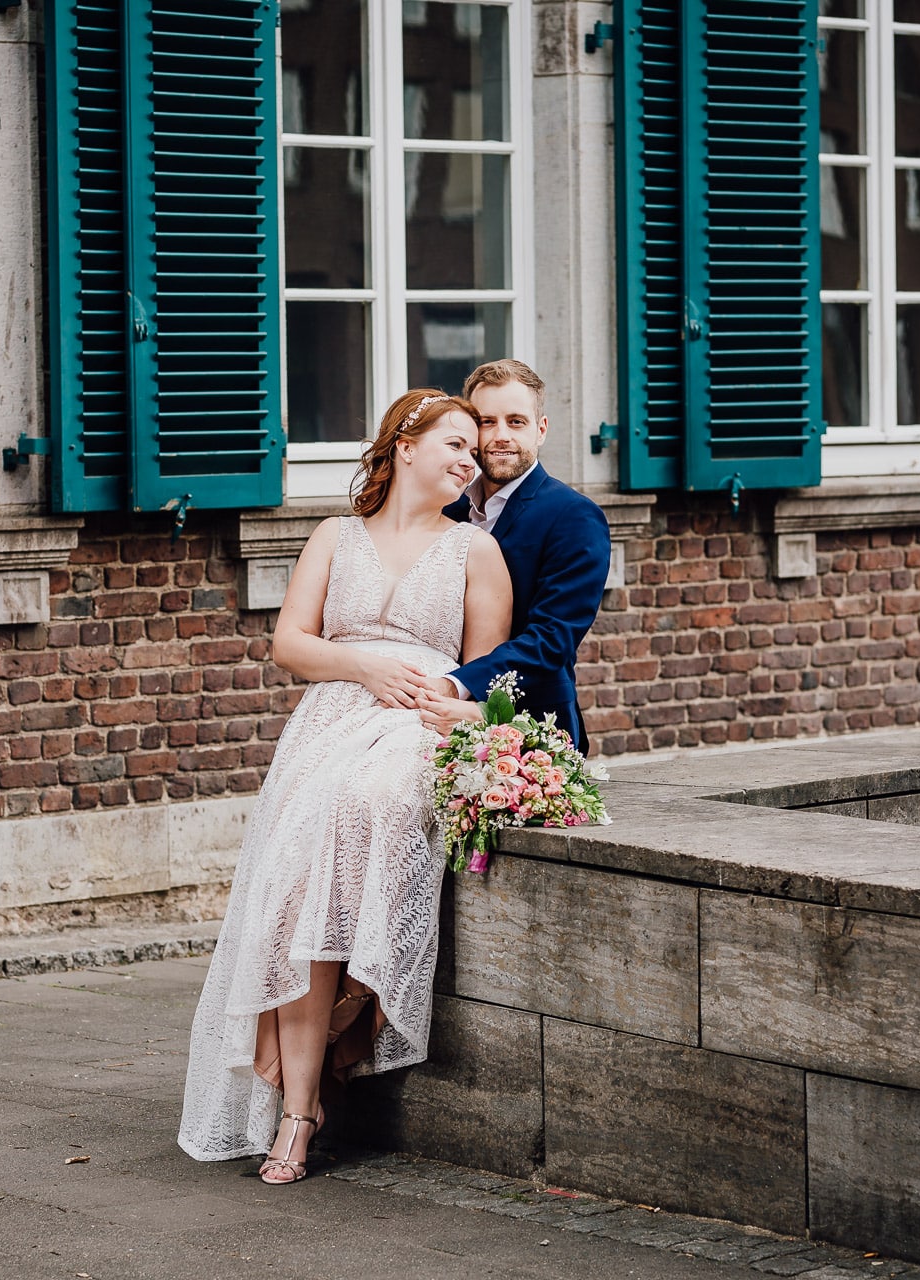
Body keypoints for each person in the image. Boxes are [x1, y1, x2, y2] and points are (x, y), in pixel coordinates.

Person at [177, 389, 514, 1184]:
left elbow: (487, 676)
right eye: (456, 444)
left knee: (371, 805)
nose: (471, 460)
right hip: (329, 719)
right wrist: (361, 662)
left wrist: (439, 703)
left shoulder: (476, 552)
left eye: (475, 450)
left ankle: (354, 1015)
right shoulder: (335, 536)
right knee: (295, 890)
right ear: (403, 444)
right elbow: (290, 642)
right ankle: (297, 1112)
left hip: (416, 724)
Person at [417, 359, 612, 751]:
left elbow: (551, 639)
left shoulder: (574, 516)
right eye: (487, 422)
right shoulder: (448, 510)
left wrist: (457, 686)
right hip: (427, 711)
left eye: (516, 421)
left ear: (541, 430)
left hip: (531, 727)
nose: (501, 435)